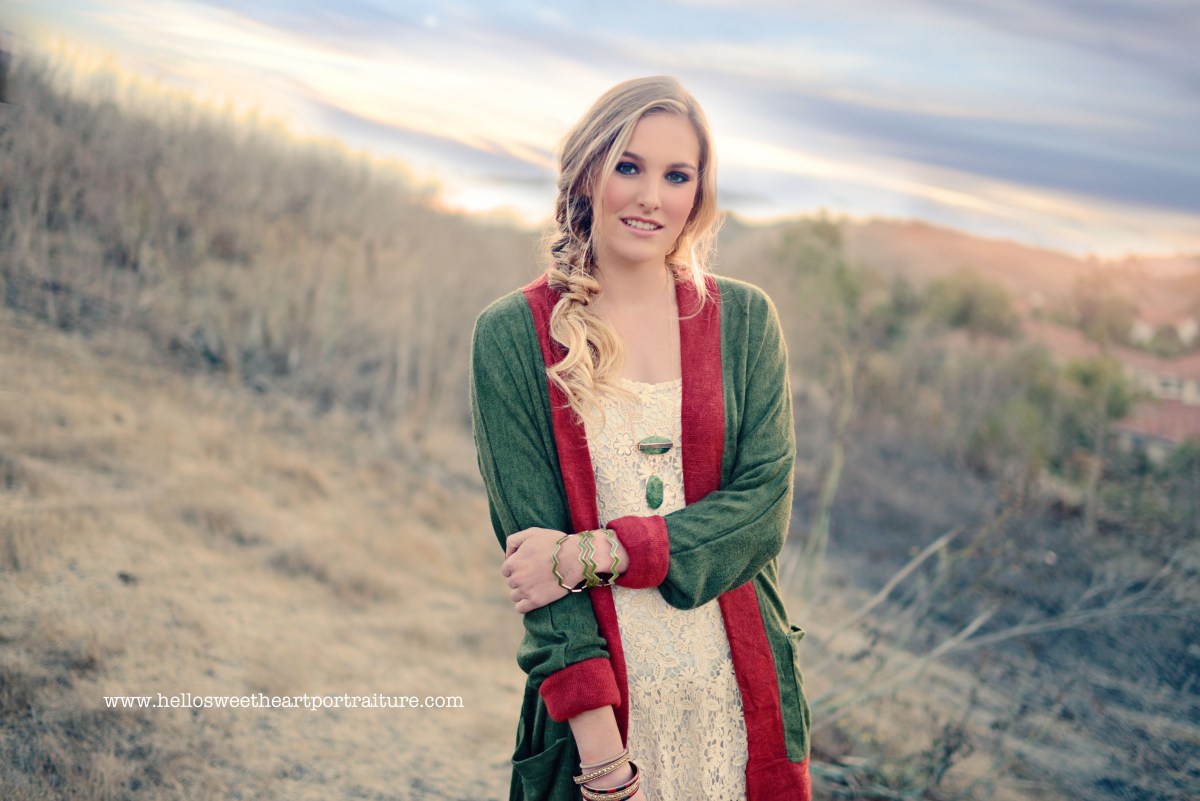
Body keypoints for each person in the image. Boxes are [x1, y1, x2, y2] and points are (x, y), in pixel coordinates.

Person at [470, 75, 811, 801]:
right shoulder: (512, 335)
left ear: (698, 193)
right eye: (629, 166)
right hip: (607, 729)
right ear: (588, 171)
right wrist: (603, 762)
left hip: (739, 708)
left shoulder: (746, 321)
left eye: (677, 175)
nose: (652, 196)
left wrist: (602, 551)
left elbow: (761, 512)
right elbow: (537, 564)